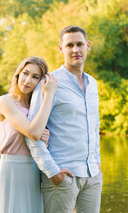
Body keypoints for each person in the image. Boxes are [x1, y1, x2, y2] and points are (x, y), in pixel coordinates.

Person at [26, 25, 102, 213]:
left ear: (88, 46)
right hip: (62, 176)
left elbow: (94, 126)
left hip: (92, 176)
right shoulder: (49, 83)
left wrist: (97, 161)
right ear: (61, 48)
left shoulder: (93, 83)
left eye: (79, 44)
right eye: (69, 45)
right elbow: (32, 133)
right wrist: (52, 171)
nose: (75, 50)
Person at [0, 56, 57, 213]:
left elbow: (42, 133)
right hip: (11, 169)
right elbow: (33, 132)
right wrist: (49, 95)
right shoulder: (5, 101)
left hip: (33, 169)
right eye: (25, 73)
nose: (28, 80)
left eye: (35, 77)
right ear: (18, 74)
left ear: (41, 81)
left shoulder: (37, 106)